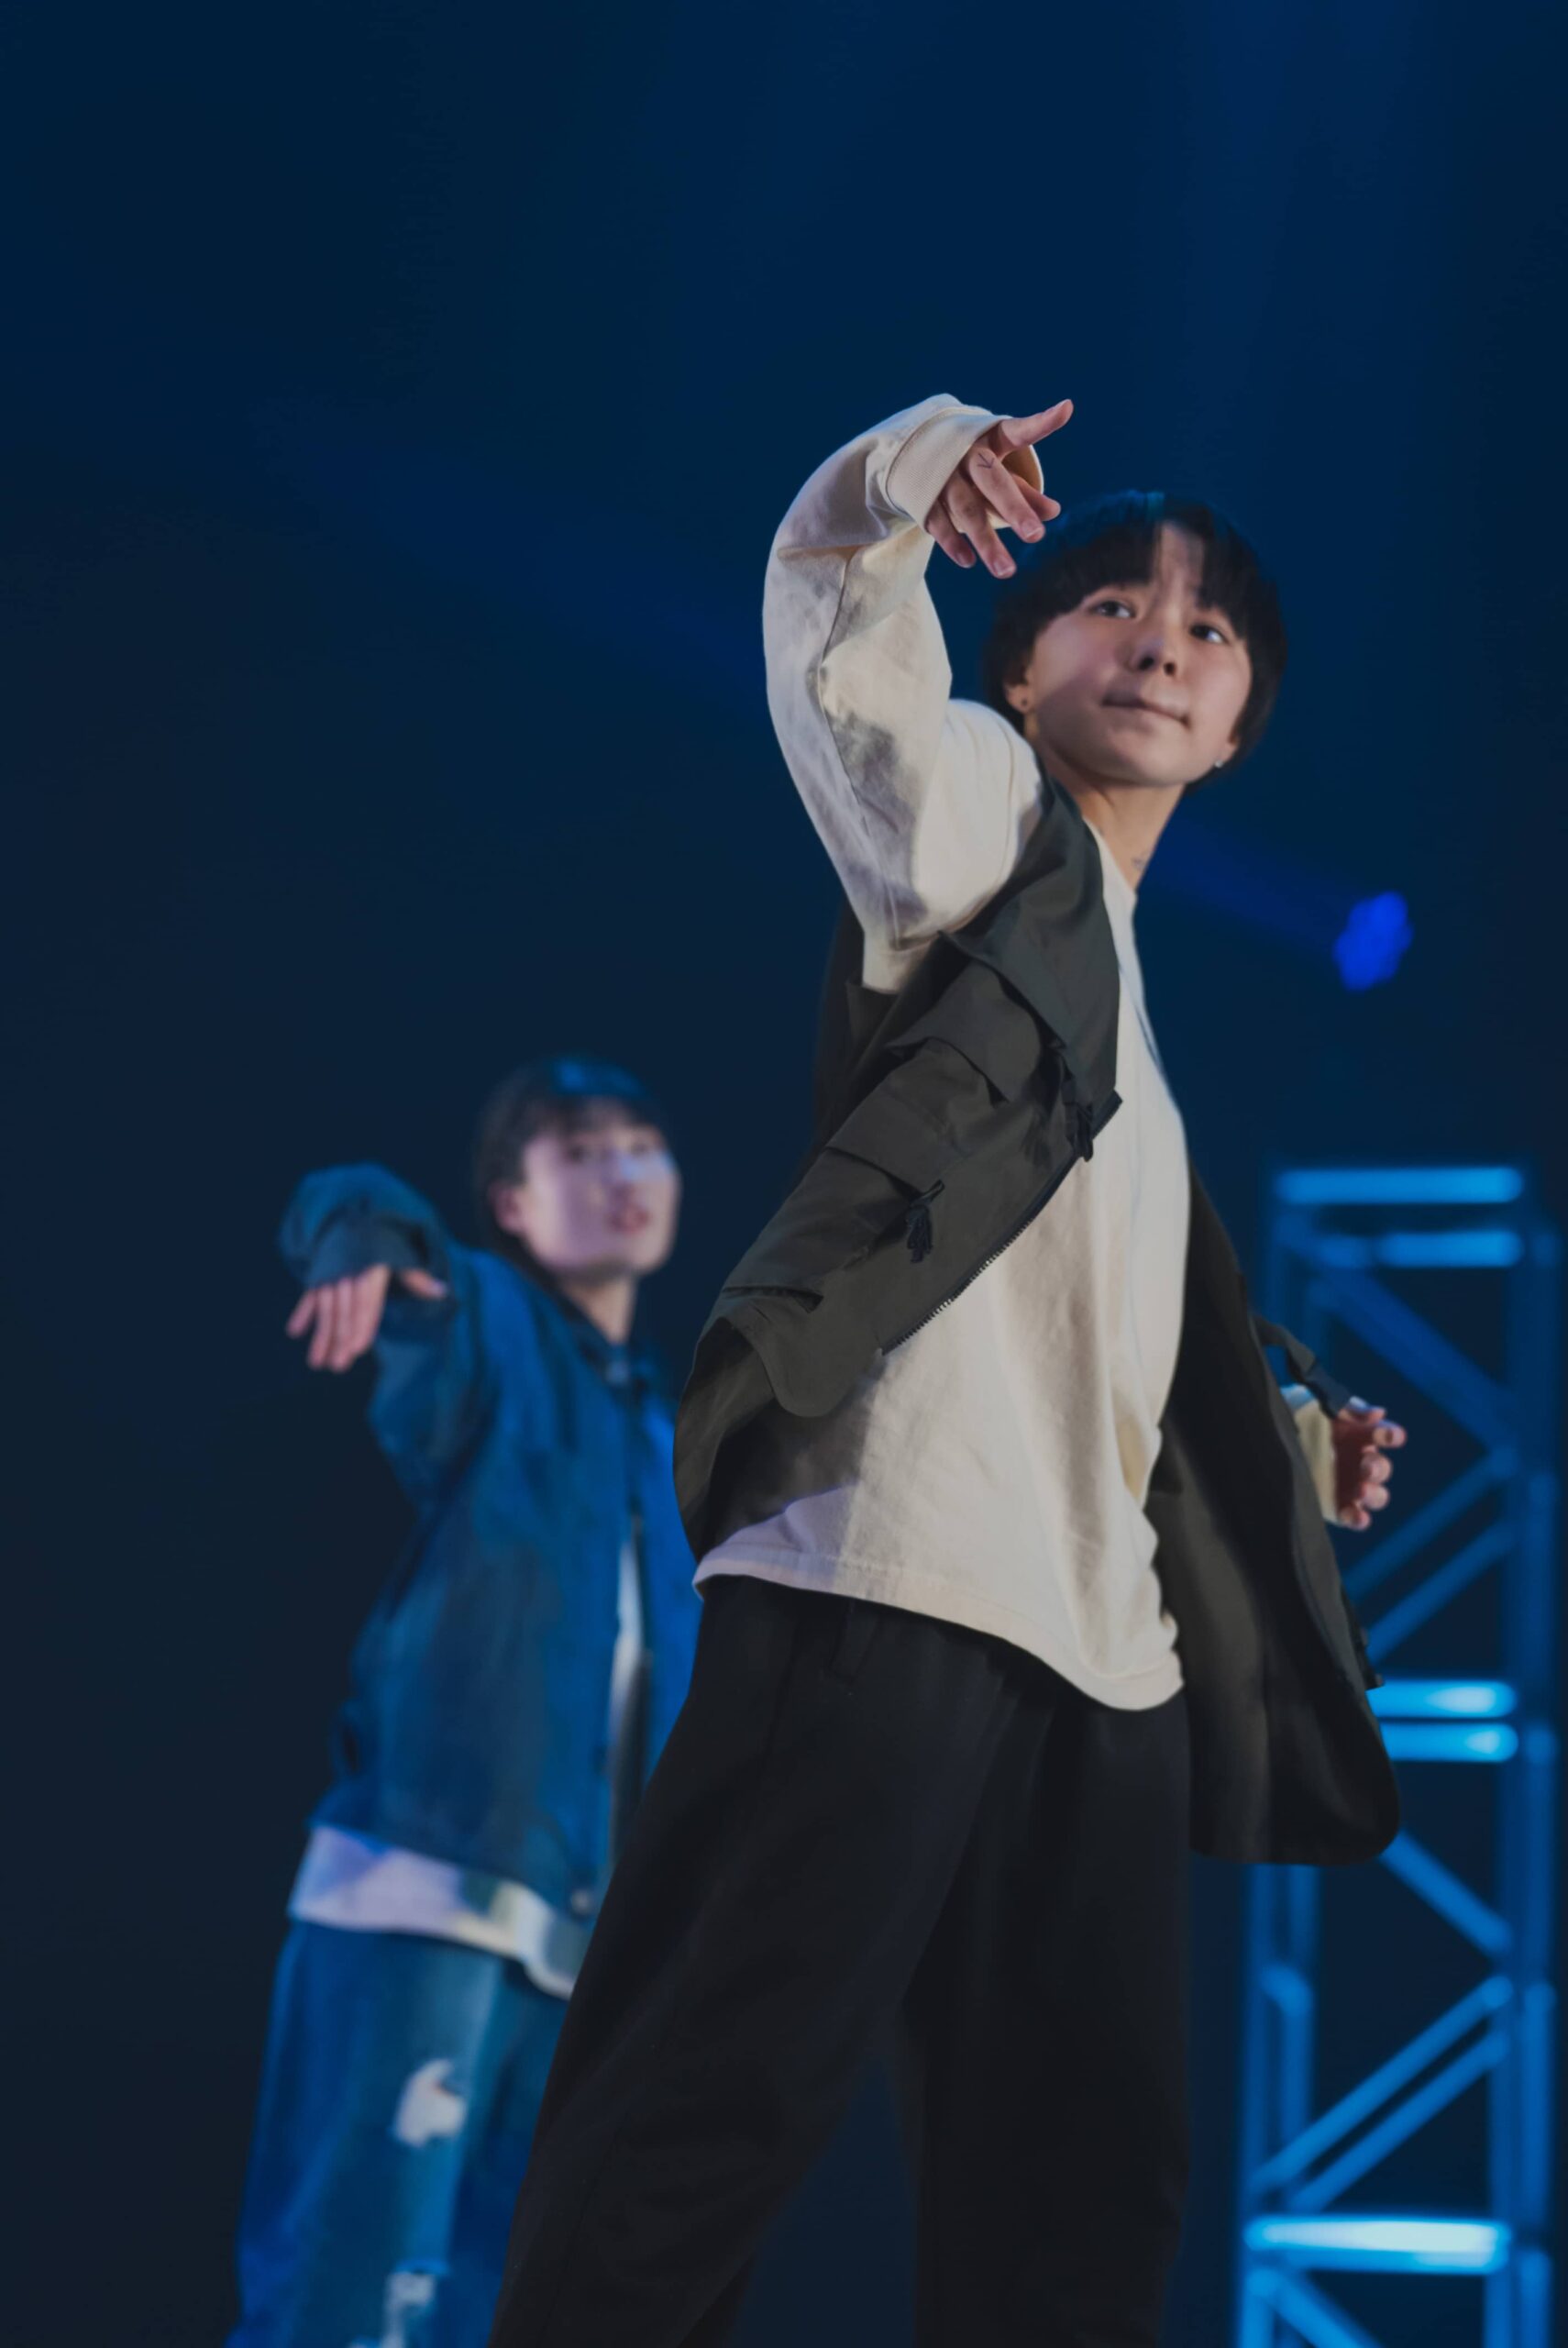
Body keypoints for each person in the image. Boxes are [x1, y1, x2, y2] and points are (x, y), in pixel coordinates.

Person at [484, 395, 1410, 2348]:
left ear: (1239, 727)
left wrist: (1281, 1441)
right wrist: (906, 477)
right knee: (706, 2108)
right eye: (1114, 602)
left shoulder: (1132, 1013)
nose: (1162, 642)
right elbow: (851, 666)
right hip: (888, 1578)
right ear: (1018, 663)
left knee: (1082, 2200)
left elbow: (1101, 1316)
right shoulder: (984, 824)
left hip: (1100, 1661)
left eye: (1209, 628)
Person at [229, 1056, 700, 2348]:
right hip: (429, 1887)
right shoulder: (487, 1325)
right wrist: (361, 1235)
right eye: (580, 1152)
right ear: (510, 1203)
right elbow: (360, 1200)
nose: (620, 1173)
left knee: (509, 2306)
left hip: (587, 1940)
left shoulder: (677, 1427)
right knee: (345, 2292)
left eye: (640, 1146)